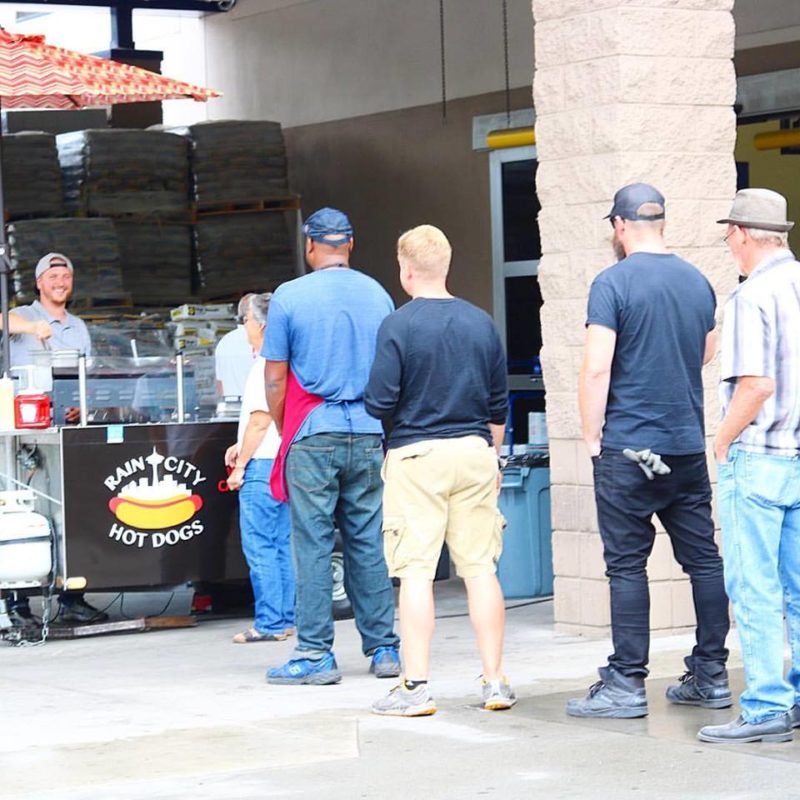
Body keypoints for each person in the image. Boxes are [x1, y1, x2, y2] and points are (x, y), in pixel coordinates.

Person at [567, 183, 730, 718]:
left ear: (618, 226)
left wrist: (593, 435)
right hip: (684, 444)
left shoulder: (611, 283)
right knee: (704, 560)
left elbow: (596, 366)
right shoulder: (697, 281)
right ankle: (711, 675)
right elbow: (706, 351)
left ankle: (626, 684)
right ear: (662, 223)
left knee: (627, 566)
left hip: (629, 448)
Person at [365, 225, 513, 717]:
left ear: (405, 270)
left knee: (415, 574)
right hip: (474, 451)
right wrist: (492, 458)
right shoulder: (480, 323)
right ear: (446, 266)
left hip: (416, 456)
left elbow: (379, 401)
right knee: (480, 569)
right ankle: (494, 681)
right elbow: (497, 404)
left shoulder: (398, 326)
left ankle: (416, 687)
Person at [262, 207, 400, 685]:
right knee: (367, 541)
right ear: (351, 245)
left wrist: (286, 430)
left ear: (310, 246)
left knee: (313, 545)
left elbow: (275, 379)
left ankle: (316, 652)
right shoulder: (379, 295)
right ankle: (384, 649)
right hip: (367, 432)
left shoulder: (289, 297)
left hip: (312, 432)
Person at [697, 189, 800, 744]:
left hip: (757, 458)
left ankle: (765, 708)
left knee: (753, 586)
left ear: (740, 235)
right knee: (799, 587)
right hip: (799, 456)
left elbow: (756, 384)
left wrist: (721, 441)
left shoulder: (748, 297)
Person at [8, 252, 106, 628]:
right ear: (39, 283)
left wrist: (82, 406)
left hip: (67, 431)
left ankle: (72, 597)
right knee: (25, 512)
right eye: (52, 277)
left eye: (66, 276)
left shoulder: (78, 326)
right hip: (27, 434)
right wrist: (34, 329)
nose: (60, 282)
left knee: (72, 512)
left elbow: (88, 375)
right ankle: (18, 605)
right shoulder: (24, 315)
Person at [224, 292, 295, 643]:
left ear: (261, 324)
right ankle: (286, 619)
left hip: (262, 466)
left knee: (261, 545)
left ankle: (268, 623)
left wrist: (241, 466)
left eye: (246, 320)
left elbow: (259, 421)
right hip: (282, 461)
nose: (244, 328)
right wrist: (241, 445)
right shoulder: (289, 361)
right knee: (281, 543)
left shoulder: (265, 365)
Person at [215, 293, 257, 400]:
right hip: (257, 407)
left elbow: (219, 384)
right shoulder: (258, 339)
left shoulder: (224, 341)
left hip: (229, 407)